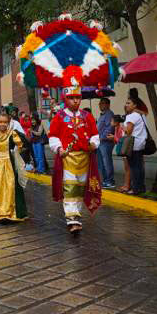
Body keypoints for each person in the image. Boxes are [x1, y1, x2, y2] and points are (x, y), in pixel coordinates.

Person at [49, 83, 100, 234]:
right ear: (65, 98)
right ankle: (72, 218)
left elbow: (95, 135)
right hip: (68, 158)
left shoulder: (87, 116)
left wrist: (93, 144)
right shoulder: (59, 117)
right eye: (72, 98)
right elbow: (53, 136)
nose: (76, 101)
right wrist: (59, 148)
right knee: (70, 187)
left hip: (85, 158)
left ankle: (76, 215)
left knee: (81, 188)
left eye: (78, 98)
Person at [123, 96, 148, 195]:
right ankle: (141, 187)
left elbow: (128, 131)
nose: (126, 105)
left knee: (134, 167)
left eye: (129, 103)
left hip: (133, 144)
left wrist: (122, 127)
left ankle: (136, 188)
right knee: (139, 167)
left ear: (135, 105)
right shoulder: (140, 115)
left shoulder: (132, 116)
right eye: (126, 103)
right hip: (140, 143)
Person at [96, 98, 115, 188]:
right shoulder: (102, 115)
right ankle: (105, 180)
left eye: (102, 103)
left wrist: (101, 137)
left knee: (106, 161)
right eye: (100, 103)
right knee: (101, 162)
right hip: (100, 142)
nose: (100, 105)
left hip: (106, 142)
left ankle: (110, 181)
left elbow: (110, 128)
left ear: (108, 105)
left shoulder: (109, 114)